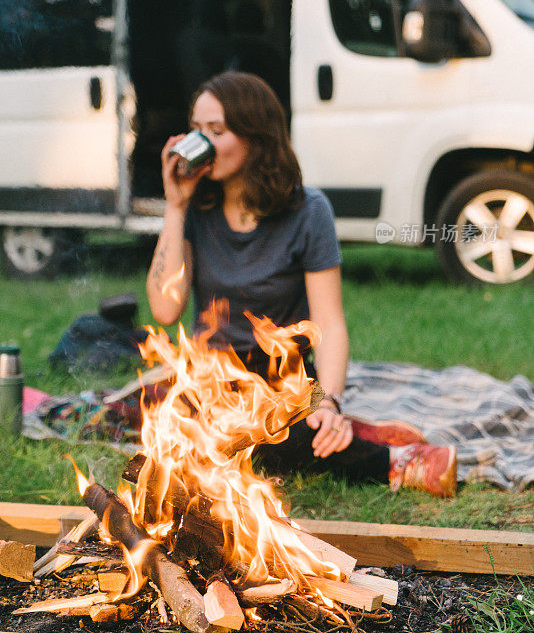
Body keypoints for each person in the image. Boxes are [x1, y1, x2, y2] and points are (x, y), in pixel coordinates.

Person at [147, 71, 457, 497]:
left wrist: (328, 400)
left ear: (255, 136)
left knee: (272, 444)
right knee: (187, 447)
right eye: (196, 130)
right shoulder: (196, 208)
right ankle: (357, 434)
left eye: (216, 131)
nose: (201, 142)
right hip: (213, 377)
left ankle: (395, 460)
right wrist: (175, 206)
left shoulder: (308, 211)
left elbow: (328, 321)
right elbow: (165, 310)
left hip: (285, 376)